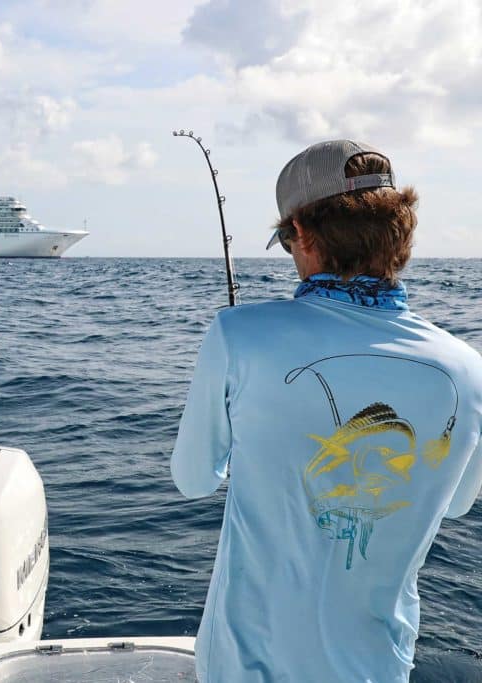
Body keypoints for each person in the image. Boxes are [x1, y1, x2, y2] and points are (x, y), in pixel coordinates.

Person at [170, 140, 482, 682]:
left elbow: (193, 480)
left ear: (305, 234)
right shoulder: (469, 370)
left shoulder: (239, 334)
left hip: (246, 665)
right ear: (399, 235)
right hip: (379, 665)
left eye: (286, 239)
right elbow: (455, 505)